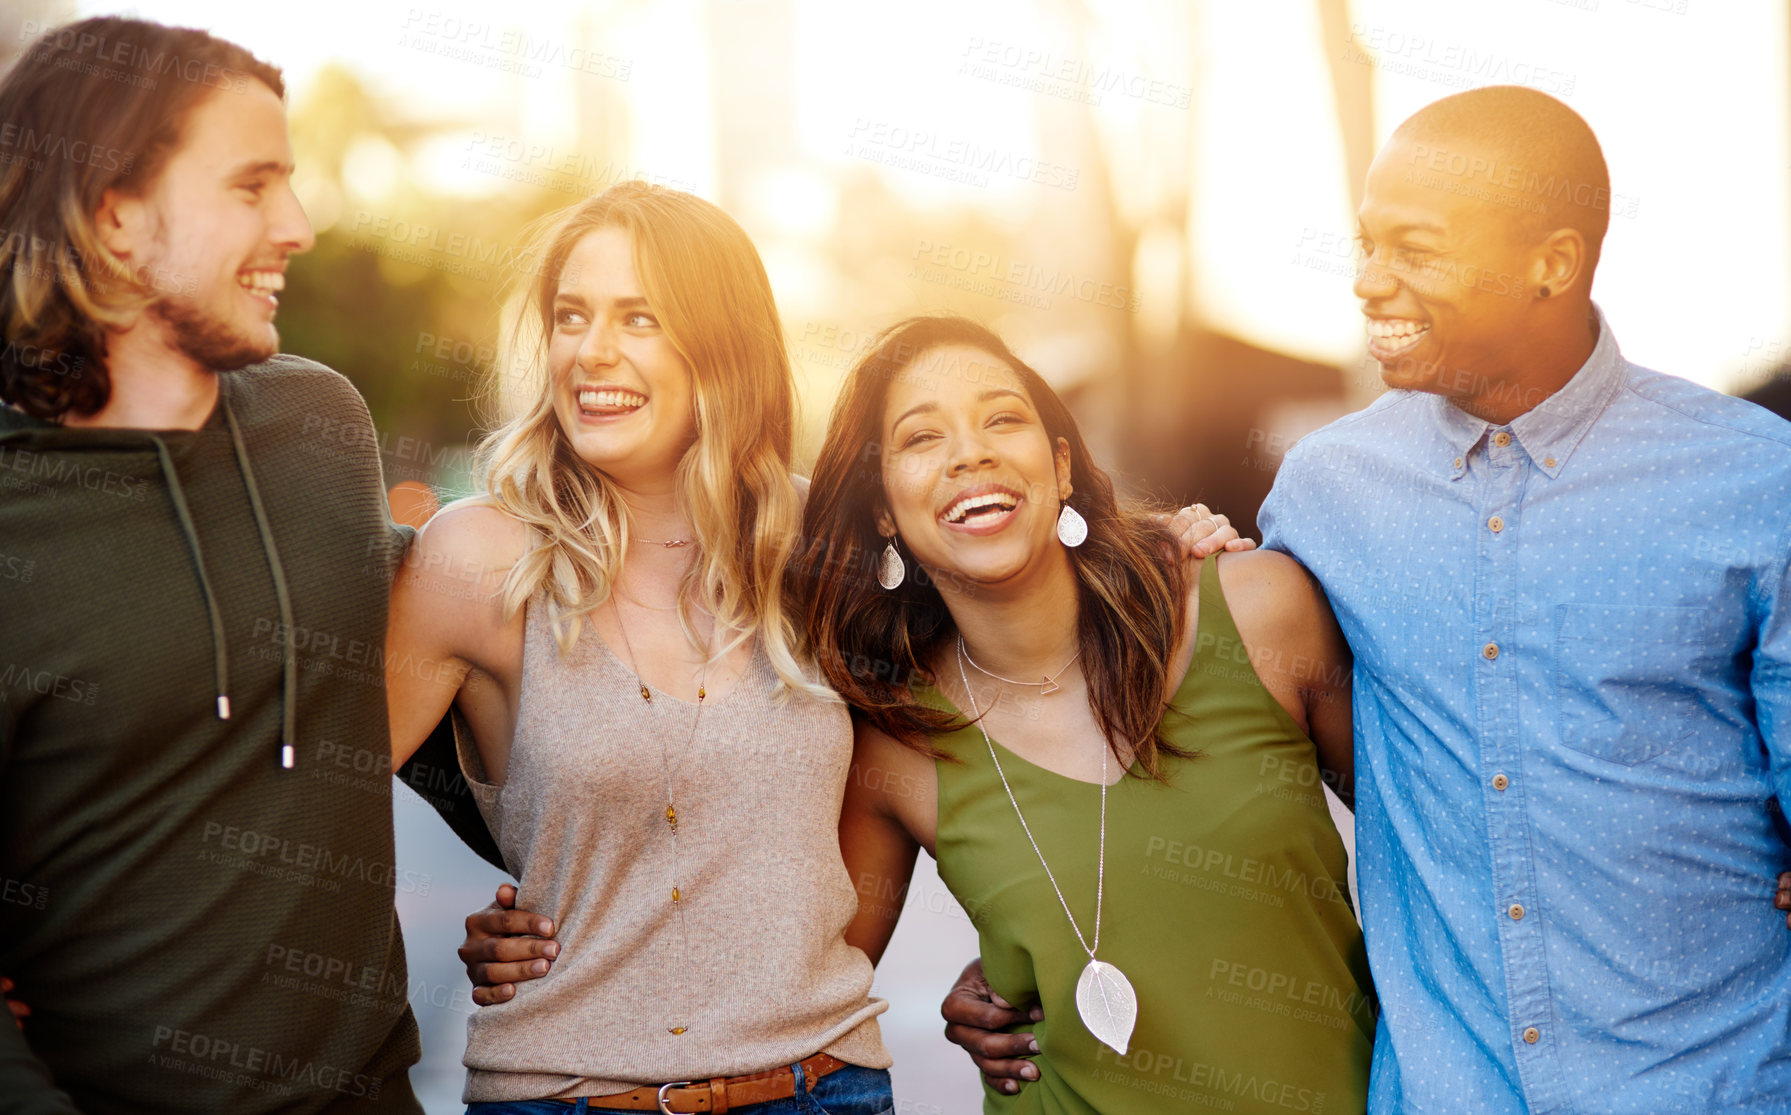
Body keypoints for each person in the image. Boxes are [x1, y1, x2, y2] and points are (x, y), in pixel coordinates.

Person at [945, 85, 1791, 1111]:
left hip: (1713, 1082)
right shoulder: (1326, 488)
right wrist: (1025, 934)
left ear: (1553, 264)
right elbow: (1222, 736)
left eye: (1415, 251)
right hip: (1444, 1087)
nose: (1368, 284)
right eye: (1365, 244)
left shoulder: (1756, 483)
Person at [384, 181, 907, 1114]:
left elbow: (992, 704)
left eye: (639, 318)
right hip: (563, 1094)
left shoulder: (822, 547)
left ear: (723, 346)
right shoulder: (478, 558)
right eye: (571, 317)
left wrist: (1184, 553)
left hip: (823, 1089)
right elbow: (306, 803)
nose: (591, 350)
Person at [0, 17, 429, 1112]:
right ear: (117, 215)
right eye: (253, 186)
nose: (300, 225)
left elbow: (424, 675)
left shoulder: (321, 422)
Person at [797, 316, 1372, 1113]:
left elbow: (1432, 861)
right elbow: (799, 992)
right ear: (883, 511)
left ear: (1060, 464)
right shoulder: (896, 743)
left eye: (1002, 418)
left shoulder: (1258, 609)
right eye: (921, 438)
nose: (971, 452)